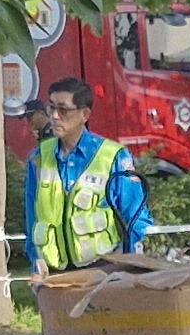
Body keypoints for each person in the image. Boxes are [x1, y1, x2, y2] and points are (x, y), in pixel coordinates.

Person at [15, 78, 152, 273]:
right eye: (51, 108)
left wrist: (127, 261)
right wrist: (36, 261)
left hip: (104, 268)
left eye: (63, 109)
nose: (54, 116)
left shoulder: (113, 156)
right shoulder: (38, 158)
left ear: (84, 114)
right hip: (53, 272)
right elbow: (32, 218)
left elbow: (136, 216)